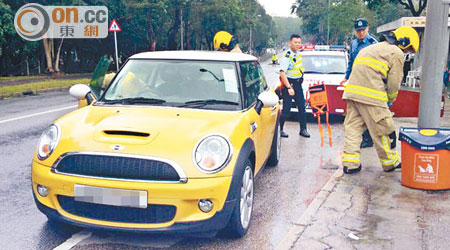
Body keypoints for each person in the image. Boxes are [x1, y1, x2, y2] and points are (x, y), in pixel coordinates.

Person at [341, 26, 420, 174]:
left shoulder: (370, 48)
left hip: (352, 93)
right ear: (404, 42)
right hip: (372, 95)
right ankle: (390, 163)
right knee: (383, 128)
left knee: (353, 128)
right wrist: (390, 99)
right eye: (408, 49)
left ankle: (350, 165)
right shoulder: (396, 52)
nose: (406, 53)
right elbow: (394, 81)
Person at [341, 18, 378, 149]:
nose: (361, 32)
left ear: (368, 28)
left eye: (363, 30)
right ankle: (361, 136)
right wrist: (346, 77)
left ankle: (368, 138)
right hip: (356, 81)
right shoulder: (354, 44)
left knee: (367, 110)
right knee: (356, 110)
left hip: (369, 81)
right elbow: (351, 63)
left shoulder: (374, 43)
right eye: (358, 30)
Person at [279, 34, 309, 138]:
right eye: (295, 42)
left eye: (299, 42)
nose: (297, 44)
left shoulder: (298, 54)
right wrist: (288, 88)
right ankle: (280, 129)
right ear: (290, 43)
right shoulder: (287, 55)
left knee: (302, 107)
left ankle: (303, 129)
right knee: (286, 110)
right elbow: (282, 73)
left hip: (297, 84)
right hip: (289, 84)